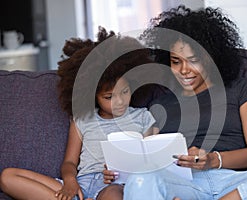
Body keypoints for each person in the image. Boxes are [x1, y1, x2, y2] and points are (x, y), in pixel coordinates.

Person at [104, 5, 247, 200]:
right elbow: (146, 154)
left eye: (193, 60)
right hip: (185, 185)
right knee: (140, 179)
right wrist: (120, 170)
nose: (183, 70)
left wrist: (213, 160)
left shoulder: (241, 89)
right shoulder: (160, 104)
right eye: (176, 61)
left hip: (236, 182)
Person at [0, 27, 159, 200]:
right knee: (8, 176)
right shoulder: (82, 120)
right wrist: (69, 182)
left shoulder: (144, 117)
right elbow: (69, 162)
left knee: (114, 195)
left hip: (113, 186)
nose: (119, 101)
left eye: (125, 91)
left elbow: (151, 161)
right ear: (93, 95)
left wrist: (124, 171)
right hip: (79, 185)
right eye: (109, 96)